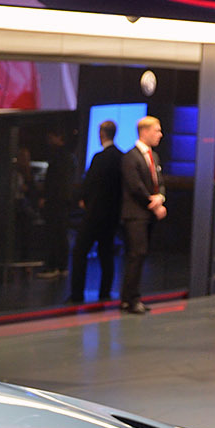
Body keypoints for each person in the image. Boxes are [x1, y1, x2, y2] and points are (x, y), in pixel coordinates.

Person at [70, 118, 123, 304]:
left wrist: (83, 200)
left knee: (80, 252)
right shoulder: (121, 157)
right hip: (112, 215)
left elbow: (89, 183)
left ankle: (77, 294)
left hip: (94, 214)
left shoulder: (99, 158)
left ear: (101, 134)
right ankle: (105, 293)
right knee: (106, 255)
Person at [119, 115, 166, 314]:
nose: (160, 135)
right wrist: (153, 205)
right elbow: (135, 186)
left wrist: (160, 198)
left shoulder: (154, 156)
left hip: (147, 215)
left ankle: (129, 297)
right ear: (144, 132)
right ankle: (131, 299)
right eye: (157, 130)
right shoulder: (130, 157)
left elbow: (160, 182)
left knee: (140, 255)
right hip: (135, 214)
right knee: (136, 254)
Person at [37, 126, 75, 278]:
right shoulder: (69, 156)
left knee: (53, 233)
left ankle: (52, 266)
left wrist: (46, 196)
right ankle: (61, 266)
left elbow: (54, 181)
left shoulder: (58, 156)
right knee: (61, 233)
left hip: (55, 201)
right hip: (63, 200)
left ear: (58, 137)